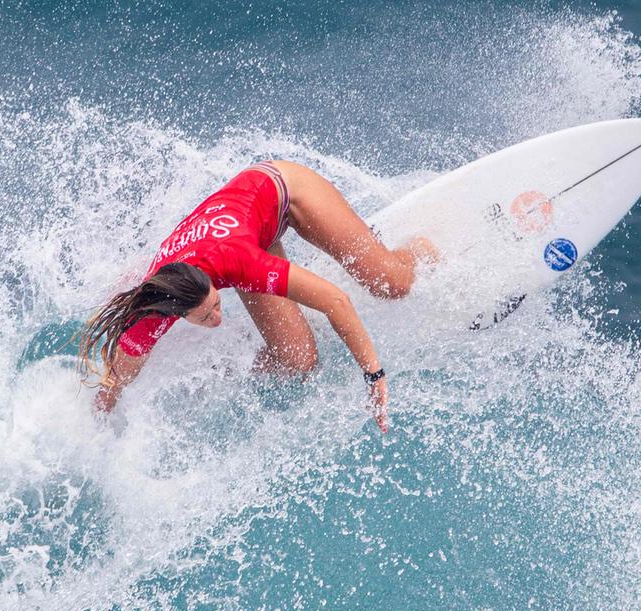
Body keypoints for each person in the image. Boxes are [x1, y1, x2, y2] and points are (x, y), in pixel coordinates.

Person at [78, 160, 437, 432]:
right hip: (250, 231)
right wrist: (98, 421)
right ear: (179, 313)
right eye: (205, 317)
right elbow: (117, 377)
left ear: (212, 282)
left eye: (216, 304)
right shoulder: (158, 306)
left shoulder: (237, 262)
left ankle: (419, 249)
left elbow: (336, 302)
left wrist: (374, 375)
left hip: (286, 192)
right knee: (299, 362)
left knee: (390, 285)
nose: (217, 318)